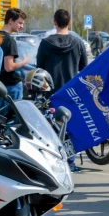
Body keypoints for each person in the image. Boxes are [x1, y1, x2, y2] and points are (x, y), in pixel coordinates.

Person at [37, 9, 88, 172]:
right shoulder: (78, 43)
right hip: (71, 92)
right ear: (69, 23)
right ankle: (70, 163)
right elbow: (84, 68)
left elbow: (40, 69)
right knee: (70, 127)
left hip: (50, 92)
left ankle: (52, 163)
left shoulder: (45, 43)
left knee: (51, 128)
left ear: (54, 22)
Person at [0, 9, 28, 111]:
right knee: (12, 120)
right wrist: (24, 61)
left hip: (0, 84)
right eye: (20, 23)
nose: (21, 26)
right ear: (11, 21)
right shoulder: (10, 41)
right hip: (10, 86)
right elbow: (9, 67)